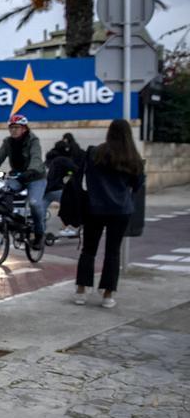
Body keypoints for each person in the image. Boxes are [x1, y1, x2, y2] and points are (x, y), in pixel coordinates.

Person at [75, 119, 145, 309]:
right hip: (121, 210)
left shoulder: (94, 153)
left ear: (109, 132)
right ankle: (107, 295)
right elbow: (137, 185)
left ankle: (82, 291)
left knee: (88, 250)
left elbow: (84, 177)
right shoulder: (133, 157)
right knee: (113, 252)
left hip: (95, 207)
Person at [0, 114, 47, 247]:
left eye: (16, 127)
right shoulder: (8, 142)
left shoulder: (33, 140)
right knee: (2, 195)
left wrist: (31, 171)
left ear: (24, 128)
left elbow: (36, 157)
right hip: (18, 177)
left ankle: (39, 234)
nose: (13, 130)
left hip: (35, 177)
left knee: (34, 203)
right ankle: (12, 222)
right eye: (11, 127)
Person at [45, 138, 79, 238]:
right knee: (70, 205)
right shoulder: (63, 159)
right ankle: (65, 228)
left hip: (45, 190)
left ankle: (37, 232)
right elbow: (76, 169)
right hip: (58, 189)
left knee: (40, 212)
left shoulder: (48, 159)